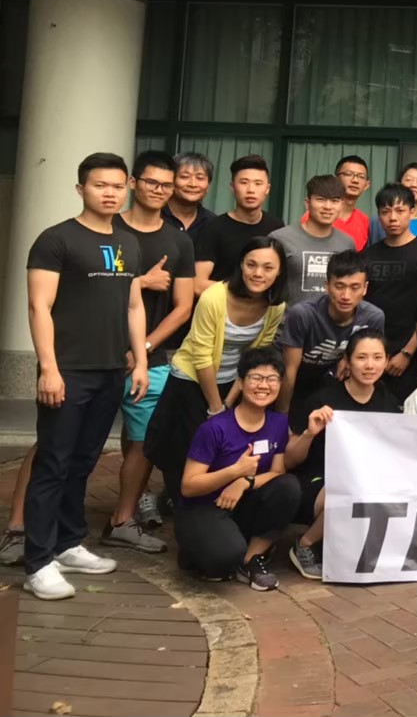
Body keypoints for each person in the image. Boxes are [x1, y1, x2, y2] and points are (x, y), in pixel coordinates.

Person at [22, 153, 149, 601]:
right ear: (81, 189)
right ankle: (38, 561)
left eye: (117, 185)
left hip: (111, 371)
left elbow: (134, 305)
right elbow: (38, 306)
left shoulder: (129, 242)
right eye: (99, 185)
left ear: (126, 188)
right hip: (68, 370)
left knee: (82, 462)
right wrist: (49, 368)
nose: (109, 193)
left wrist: (141, 360)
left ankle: (68, 543)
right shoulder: (56, 239)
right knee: (53, 463)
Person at [145, 238, 287, 504]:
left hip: (232, 381)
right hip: (191, 379)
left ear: (279, 272)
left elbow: (254, 358)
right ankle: (181, 507)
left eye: (268, 267)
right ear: (241, 265)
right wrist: (215, 407)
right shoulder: (214, 297)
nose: (258, 273)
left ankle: (214, 506)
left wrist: (230, 399)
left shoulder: (275, 306)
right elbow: (201, 355)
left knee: (222, 449)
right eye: (251, 265)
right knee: (182, 449)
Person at [104, 151, 196, 554]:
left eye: (166, 185)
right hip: (98, 352)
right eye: (152, 182)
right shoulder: (106, 228)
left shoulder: (179, 240)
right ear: (134, 183)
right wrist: (140, 282)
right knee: (72, 440)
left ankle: (122, 519)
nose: (159, 190)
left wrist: (143, 347)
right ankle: (38, 520)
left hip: (153, 357)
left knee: (145, 442)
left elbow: (183, 307)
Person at [174, 346, 300, 591]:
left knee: (288, 487)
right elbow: (188, 486)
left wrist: (244, 482)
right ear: (241, 383)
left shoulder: (278, 423)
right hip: (203, 507)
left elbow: (277, 473)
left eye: (272, 379)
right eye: (256, 378)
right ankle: (199, 550)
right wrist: (235, 471)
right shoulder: (214, 428)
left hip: (242, 502)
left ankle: (250, 559)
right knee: (222, 560)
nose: (264, 385)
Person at [283, 329, 398, 580]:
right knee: (353, 487)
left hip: (366, 481)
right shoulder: (323, 399)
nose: (370, 365)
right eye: (361, 357)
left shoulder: (388, 402)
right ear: (347, 361)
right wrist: (309, 433)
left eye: (377, 357)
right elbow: (290, 460)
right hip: (317, 482)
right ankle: (305, 544)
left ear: (387, 360)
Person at [276, 250, 386, 427]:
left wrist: (346, 359)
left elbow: (370, 361)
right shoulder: (303, 314)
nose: (346, 296)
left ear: (365, 288)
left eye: (355, 287)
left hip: (335, 385)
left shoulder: (373, 317)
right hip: (299, 383)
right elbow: (290, 371)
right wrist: (281, 418)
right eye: (339, 286)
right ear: (327, 286)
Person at [364, 184, 417, 404]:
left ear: (412, 211)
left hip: (412, 352)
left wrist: (407, 353)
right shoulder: (368, 255)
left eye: (400, 211)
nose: (392, 218)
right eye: (385, 211)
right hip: (371, 351)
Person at [192, 155, 285, 293]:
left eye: (258, 183)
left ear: (267, 188)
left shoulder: (276, 227)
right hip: (222, 304)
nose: (251, 189)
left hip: (264, 305)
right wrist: (242, 294)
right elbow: (198, 285)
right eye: (244, 182)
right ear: (232, 187)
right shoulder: (214, 227)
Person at [270, 175, 355, 306]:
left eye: (335, 201)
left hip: (333, 318)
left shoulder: (347, 243)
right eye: (321, 199)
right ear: (307, 203)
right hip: (290, 318)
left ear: (342, 205)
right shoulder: (281, 238)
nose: (328, 207)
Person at [323, 156, 372, 250]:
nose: (355, 180)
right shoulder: (319, 215)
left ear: (366, 185)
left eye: (361, 177)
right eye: (348, 174)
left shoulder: (365, 222)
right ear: (335, 179)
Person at [163, 151, 216, 237]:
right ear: (171, 181)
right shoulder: (154, 215)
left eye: (200, 178)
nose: (193, 184)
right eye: (184, 177)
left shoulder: (213, 223)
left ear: (208, 186)